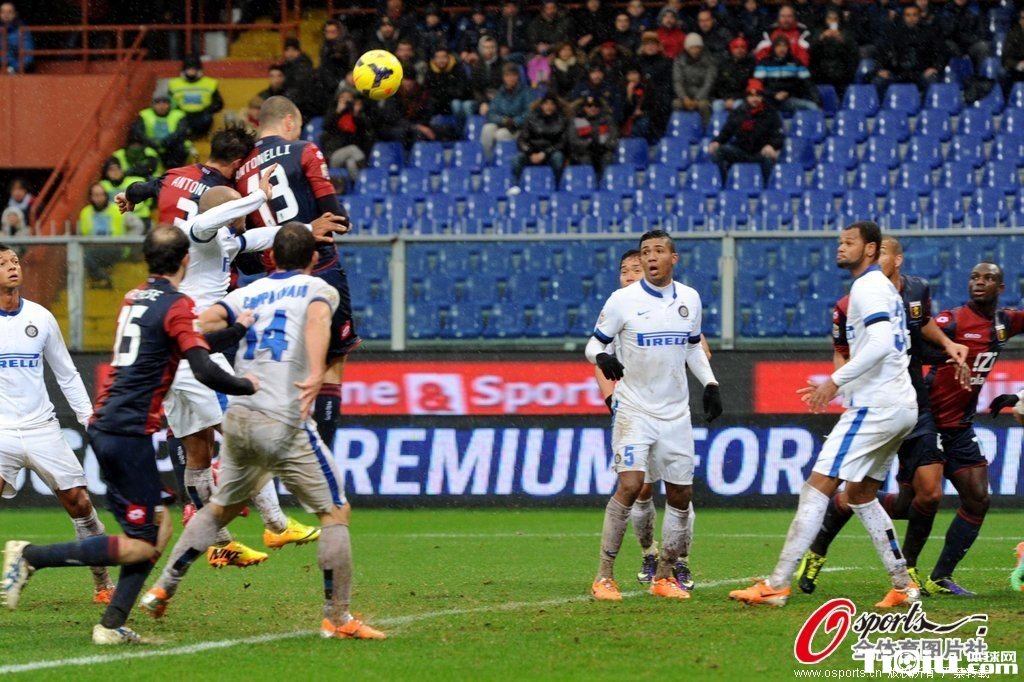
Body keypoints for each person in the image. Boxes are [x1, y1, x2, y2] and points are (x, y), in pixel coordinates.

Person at [1, 227, 257, 644]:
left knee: (155, 530)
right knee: (145, 541)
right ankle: (32, 557)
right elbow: (202, 365)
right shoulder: (177, 304)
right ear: (186, 260)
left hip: (113, 426)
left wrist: (236, 330)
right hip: (126, 430)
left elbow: (185, 343)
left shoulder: (134, 297)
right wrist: (247, 387)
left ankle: (112, 621)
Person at [140, 224, 385, 640]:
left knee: (219, 509)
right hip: (284, 417)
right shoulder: (318, 287)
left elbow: (201, 323)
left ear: (270, 257)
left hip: (240, 416)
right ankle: (338, 617)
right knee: (334, 513)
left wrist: (201, 337)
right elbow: (317, 321)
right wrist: (314, 372)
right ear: (312, 259)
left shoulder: (246, 293)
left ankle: (162, 587)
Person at [729, 222, 920, 609]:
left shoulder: (867, 287)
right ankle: (903, 584)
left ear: (870, 249)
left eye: (849, 242)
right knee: (861, 495)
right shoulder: (884, 288)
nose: (840, 247)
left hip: (876, 406)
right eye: (839, 242)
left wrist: (835, 381)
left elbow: (881, 344)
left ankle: (777, 585)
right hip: (901, 405)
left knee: (816, 488)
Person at [796, 237, 969, 594]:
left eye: (885, 254)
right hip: (875, 405)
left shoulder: (915, 290)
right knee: (853, 494)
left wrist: (948, 343)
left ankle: (909, 570)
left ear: (895, 258)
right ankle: (817, 550)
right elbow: (843, 351)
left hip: (914, 404)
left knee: (930, 493)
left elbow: (923, 324)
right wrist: (841, 384)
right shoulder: (850, 303)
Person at [587, 230, 722, 602]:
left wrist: (710, 383)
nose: (650, 257)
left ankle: (664, 575)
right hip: (634, 410)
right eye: (645, 251)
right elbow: (594, 343)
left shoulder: (690, 299)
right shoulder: (622, 300)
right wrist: (602, 356)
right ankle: (604, 577)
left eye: (658, 250)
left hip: (675, 413)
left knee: (681, 494)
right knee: (632, 485)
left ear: (672, 258)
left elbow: (693, 348)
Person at [235, 96, 360, 455]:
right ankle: (320, 456)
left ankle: (276, 456)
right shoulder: (304, 150)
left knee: (287, 368)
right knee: (331, 362)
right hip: (319, 269)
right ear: (289, 121)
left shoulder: (240, 170)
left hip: (272, 282)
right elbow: (337, 220)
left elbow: (246, 262)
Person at [0, 245, 115, 605]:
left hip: (42, 429)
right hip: (1, 432)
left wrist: (88, 418)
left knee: (79, 503)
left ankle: (102, 582)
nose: (12, 267)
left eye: (14, 261)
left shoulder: (41, 318)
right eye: (3, 264)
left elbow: (66, 374)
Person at [915, 263, 1024, 596]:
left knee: (978, 499)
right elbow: (916, 344)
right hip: (927, 420)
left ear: (1000, 288)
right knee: (909, 503)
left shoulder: (1005, 323)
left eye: (988, 278)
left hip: (960, 427)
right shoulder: (952, 320)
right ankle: (844, 507)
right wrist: (946, 355)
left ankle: (939, 578)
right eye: (975, 277)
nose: (980, 282)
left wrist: (1020, 396)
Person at [118, 125, 256, 229]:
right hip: (199, 257)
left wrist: (129, 196)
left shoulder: (173, 175)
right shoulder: (229, 194)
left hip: (164, 252)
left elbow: (137, 189)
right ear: (237, 163)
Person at [708, 78, 783, 182]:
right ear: (747, 97)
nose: (755, 99)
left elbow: (779, 136)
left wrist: (771, 145)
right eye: (751, 95)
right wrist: (717, 141)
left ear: (762, 97)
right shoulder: (738, 112)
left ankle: (767, 187)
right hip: (741, 151)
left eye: (758, 95)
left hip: (760, 152)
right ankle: (723, 183)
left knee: (769, 157)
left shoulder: (771, 112)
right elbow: (727, 131)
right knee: (719, 151)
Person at [872, 4, 943, 94]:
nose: (911, 18)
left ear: (919, 16)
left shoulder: (929, 32)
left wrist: (935, 67)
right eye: (908, 15)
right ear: (903, 17)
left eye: (914, 15)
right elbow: (881, 52)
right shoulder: (893, 33)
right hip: (897, 73)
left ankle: (929, 103)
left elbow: (940, 52)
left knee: (932, 80)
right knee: (878, 81)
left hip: (921, 73)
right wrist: (880, 69)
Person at [754, 36, 820, 113]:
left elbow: (808, 84)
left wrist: (816, 101)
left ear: (788, 48)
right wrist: (773, 94)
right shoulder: (764, 63)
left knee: (812, 106)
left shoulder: (796, 63)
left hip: (789, 100)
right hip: (768, 100)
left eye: (784, 46)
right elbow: (756, 85)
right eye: (778, 46)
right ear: (773, 48)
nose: (782, 49)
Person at [79, 183, 127, 288]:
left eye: (102, 195)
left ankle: (101, 278)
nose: (99, 198)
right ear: (91, 197)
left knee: (86, 255)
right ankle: (103, 278)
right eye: (96, 195)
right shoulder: (85, 212)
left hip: (114, 247)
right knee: (83, 254)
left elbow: (137, 225)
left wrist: (130, 247)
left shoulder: (117, 209)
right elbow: (83, 235)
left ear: (106, 196)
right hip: (94, 249)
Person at [321, 89, 371, 189]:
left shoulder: (356, 116)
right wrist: (338, 111)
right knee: (353, 149)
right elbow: (326, 126)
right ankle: (368, 173)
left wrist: (355, 114)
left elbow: (364, 132)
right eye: (343, 97)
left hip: (351, 155)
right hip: (333, 155)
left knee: (351, 163)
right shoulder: (333, 113)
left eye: (349, 98)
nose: (346, 100)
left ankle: (359, 188)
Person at [480, 64, 532, 158]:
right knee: (487, 128)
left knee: (501, 134)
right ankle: (488, 160)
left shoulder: (526, 92)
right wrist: (503, 120)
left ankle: (505, 161)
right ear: (503, 77)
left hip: (519, 129)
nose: (510, 78)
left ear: (518, 76)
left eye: (513, 75)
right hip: (503, 124)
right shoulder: (500, 93)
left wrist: (515, 121)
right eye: (507, 75)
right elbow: (491, 114)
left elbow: (530, 113)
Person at [514, 94, 569, 181]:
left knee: (558, 158)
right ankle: (516, 184)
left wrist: (545, 153)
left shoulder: (562, 121)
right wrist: (530, 152)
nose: (549, 107)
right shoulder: (531, 119)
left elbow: (562, 143)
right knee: (517, 159)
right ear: (541, 105)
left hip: (551, 153)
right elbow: (521, 140)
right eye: (546, 103)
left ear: (555, 106)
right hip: (532, 152)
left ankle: (557, 184)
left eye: (552, 104)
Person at [167, 55, 224, 138]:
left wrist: (207, 110)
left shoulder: (210, 83)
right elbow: (169, 102)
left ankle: (199, 136)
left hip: (202, 116)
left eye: (194, 69)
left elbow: (219, 103)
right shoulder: (174, 84)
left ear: (199, 70)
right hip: (182, 115)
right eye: (189, 69)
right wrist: (178, 111)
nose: (191, 71)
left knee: (206, 118)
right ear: (184, 70)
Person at [131, 95, 192, 169]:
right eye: (158, 103)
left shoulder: (178, 114)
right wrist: (151, 142)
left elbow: (181, 131)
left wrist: (166, 142)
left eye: (164, 103)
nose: (161, 107)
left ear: (169, 105)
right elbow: (138, 132)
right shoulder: (145, 115)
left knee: (181, 147)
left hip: (172, 144)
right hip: (151, 144)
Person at [809, 9, 858, 97]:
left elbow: (853, 52)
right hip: (822, 68)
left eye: (835, 19)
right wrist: (822, 37)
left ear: (839, 20)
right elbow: (811, 51)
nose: (832, 21)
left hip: (841, 67)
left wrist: (842, 40)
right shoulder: (819, 32)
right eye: (829, 18)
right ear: (825, 20)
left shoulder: (846, 33)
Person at [673, 34, 717, 124]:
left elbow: (708, 83)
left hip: (703, 96)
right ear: (687, 48)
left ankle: (706, 128)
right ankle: (679, 127)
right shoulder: (679, 61)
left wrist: (697, 99)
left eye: (697, 47)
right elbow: (678, 82)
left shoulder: (709, 61)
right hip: (686, 96)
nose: (695, 50)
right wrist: (684, 98)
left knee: (703, 105)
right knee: (676, 103)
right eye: (692, 47)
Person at [569, 96, 618, 175]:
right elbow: (573, 141)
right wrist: (589, 144)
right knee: (585, 159)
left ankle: (605, 181)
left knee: (608, 157)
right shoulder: (576, 120)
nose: (593, 108)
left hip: (603, 151)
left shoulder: (607, 120)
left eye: (596, 105)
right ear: (584, 107)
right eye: (589, 106)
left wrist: (604, 145)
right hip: (584, 152)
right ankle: (588, 181)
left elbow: (613, 136)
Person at [100, 158, 150, 228]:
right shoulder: (103, 186)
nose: (116, 172)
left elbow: (143, 203)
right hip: (116, 221)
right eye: (111, 170)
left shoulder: (136, 181)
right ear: (106, 173)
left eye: (118, 168)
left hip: (140, 217)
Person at [712, 37, 756, 113]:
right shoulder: (724, 64)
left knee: (738, 105)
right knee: (716, 105)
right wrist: (726, 99)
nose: (740, 50)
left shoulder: (751, 65)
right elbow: (718, 86)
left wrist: (734, 98)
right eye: (736, 47)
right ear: (731, 49)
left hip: (741, 98)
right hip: (725, 98)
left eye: (742, 47)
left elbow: (749, 88)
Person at [0, 2, 32, 73]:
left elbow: (28, 56)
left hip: (15, 71)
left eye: (9, 12)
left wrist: (12, 68)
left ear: (15, 14)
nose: (6, 14)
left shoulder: (22, 30)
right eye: (2, 12)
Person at [1002, 10, 1024, 88]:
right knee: (1003, 72)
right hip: (1016, 68)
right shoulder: (1012, 34)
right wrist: (1018, 64)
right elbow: (1005, 59)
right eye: (1023, 18)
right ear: (1020, 21)